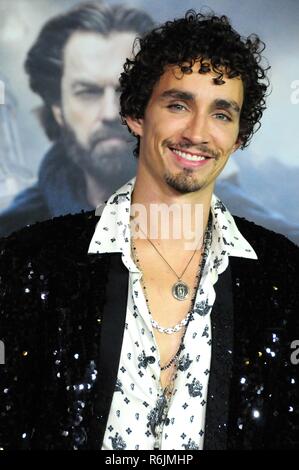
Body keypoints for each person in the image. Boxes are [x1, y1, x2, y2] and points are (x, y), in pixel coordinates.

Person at [0, 10, 298, 451]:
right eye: (178, 105)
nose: (198, 132)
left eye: (221, 113)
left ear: (238, 137)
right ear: (136, 116)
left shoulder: (284, 276)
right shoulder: (30, 262)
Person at [0, 2, 154, 238]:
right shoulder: (15, 236)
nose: (111, 113)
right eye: (88, 92)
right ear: (58, 110)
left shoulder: (224, 214)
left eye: (129, 90)